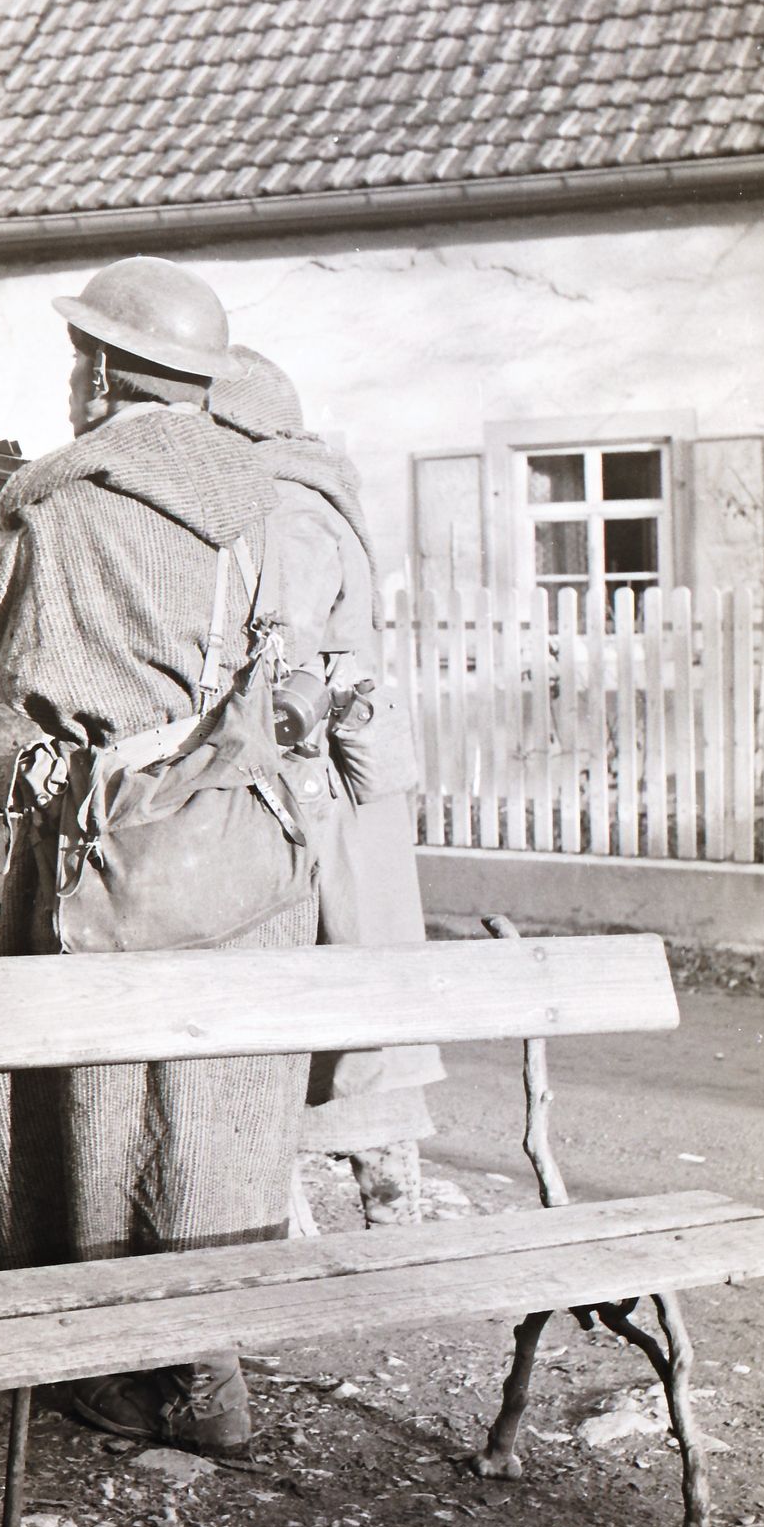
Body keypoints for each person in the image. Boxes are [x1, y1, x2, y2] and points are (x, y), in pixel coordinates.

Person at [0, 257, 315, 1456]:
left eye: (79, 357)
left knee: (91, 1101)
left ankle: (104, 1356)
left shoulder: (75, 507)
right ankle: (207, 1366)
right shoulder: (265, 498)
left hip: (110, 847)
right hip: (236, 838)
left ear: (97, 377)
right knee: (217, 1101)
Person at [207, 352, 441, 1226]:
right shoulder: (305, 493)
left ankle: (374, 1234)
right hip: (333, 793)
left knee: (341, 1005)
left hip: (321, 793)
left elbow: (279, 650)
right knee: (356, 1002)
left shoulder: (287, 512)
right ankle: (371, 1224)